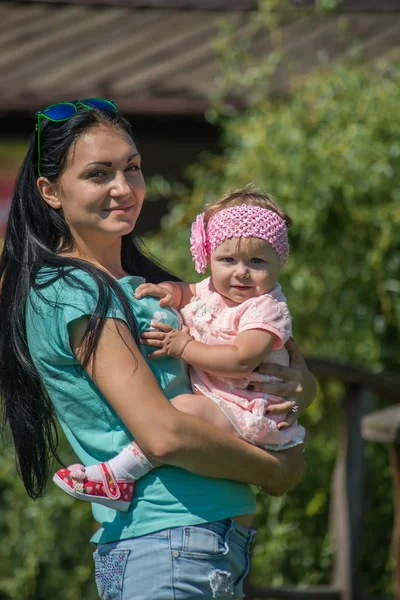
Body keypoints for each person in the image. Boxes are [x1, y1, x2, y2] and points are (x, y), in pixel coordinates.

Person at [0, 99, 316, 600]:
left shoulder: (144, 284)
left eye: (133, 168)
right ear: (50, 191)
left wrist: (301, 383)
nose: (123, 189)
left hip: (203, 544)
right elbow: (162, 433)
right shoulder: (69, 290)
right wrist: (275, 472)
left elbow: (272, 360)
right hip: (166, 543)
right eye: (98, 174)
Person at [54, 190, 306, 511]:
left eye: (256, 261)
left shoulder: (265, 309)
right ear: (209, 257)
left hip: (249, 408)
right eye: (227, 259)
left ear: (278, 262)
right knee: (181, 412)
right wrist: (169, 291)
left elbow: (241, 359)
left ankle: (118, 475)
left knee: (182, 411)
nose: (241, 272)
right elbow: (189, 291)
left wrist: (185, 346)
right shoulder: (214, 289)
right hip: (225, 403)